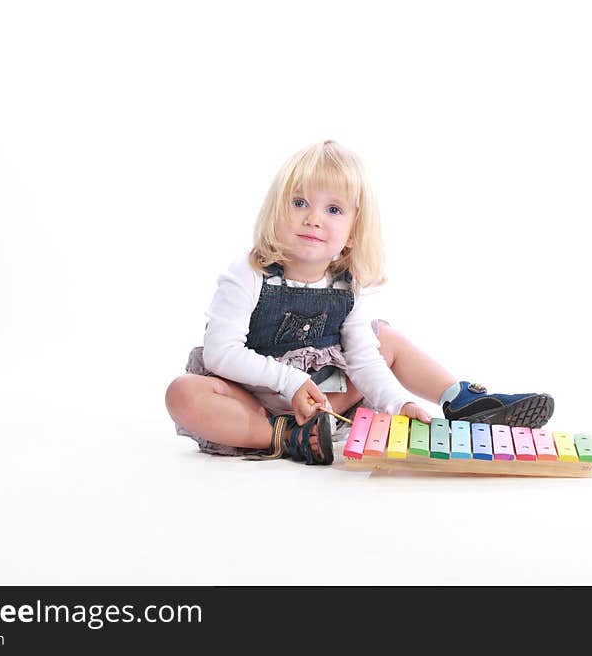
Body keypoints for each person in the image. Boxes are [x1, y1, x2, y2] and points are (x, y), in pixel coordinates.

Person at [165, 140, 553, 465]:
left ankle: (460, 400)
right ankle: (284, 437)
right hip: (254, 401)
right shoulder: (248, 273)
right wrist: (290, 380)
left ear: (352, 232)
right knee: (183, 393)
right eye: (299, 203)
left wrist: (399, 404)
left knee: (383, 338)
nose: (313, 219)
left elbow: (365, 361)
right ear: (275, 211)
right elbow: (220, 353)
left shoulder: (347, 285)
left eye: (333, 210)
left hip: (327, 399)